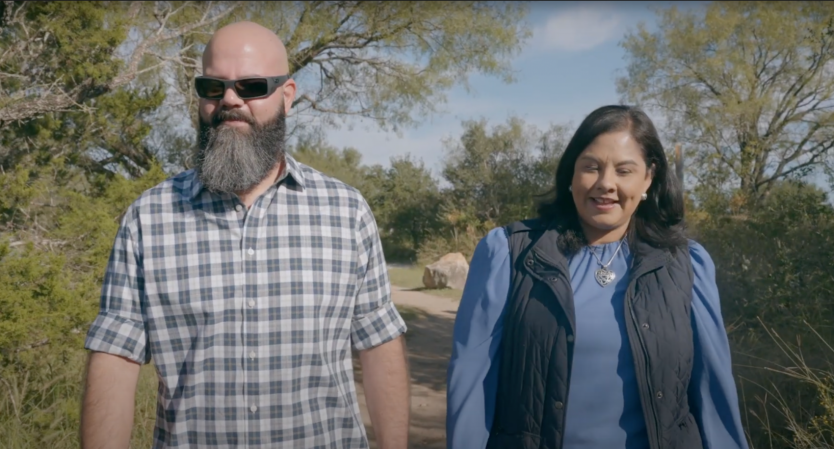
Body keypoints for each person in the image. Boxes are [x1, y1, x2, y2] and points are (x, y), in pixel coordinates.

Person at [80, 21, 410, 449]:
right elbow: (115, 357)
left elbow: (379, 345)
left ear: (287, 96)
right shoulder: (147, 217)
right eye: (212, 87)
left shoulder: (348, 212)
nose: (230, 100)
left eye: (251, 86)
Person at [446, 105, 748, 449]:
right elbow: (471, 381)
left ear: (648, 178)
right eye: (591, 167)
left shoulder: (686, 263)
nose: (606, 184)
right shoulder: (510, 253)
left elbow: (713, 391)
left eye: (624, 170)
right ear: (571, 174)